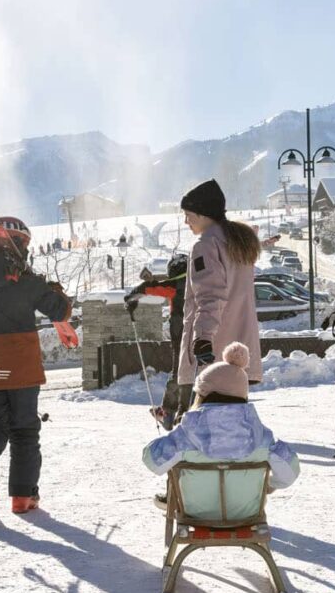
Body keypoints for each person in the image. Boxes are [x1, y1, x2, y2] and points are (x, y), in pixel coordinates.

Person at [0, 216, 73, 518]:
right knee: (24, 430)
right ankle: (23, 496)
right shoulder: (27, 282)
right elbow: (60, 310)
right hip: (21, 370)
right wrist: (54, 289)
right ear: (19, 244)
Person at [142, 342, 298, 495]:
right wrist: (269, 484)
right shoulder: (261, 435)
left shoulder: (187, 433)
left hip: (197, 514)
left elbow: (152, 460)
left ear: (202, 395)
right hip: (246, 512)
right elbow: (290, 471)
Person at [176, 179, 262, 389]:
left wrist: (203, 339)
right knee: (232, 420)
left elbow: (210, 295)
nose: (186, 221)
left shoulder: (205, 245)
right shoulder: (238, 241)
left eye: (188, 215)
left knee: (200, 420)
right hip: (240, 353)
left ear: (203, 214)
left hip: (213, 357)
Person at [125, 253, 189, 427]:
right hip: (205, 332)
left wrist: (131, 298)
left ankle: (168, 413)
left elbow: (148, 288)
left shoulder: (175, 285)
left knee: (179, 372)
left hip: (181, 332)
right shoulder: (201, 282)